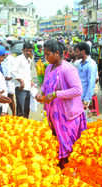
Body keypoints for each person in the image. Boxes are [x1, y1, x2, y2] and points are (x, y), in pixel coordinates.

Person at [36, 40, 87, 169]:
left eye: (48, 54)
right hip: (54, 114)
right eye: (45, 54)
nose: (46, 57)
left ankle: (70, 170)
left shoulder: (67, 69)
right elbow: (45, 85)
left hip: (67, 115)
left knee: (69, 146)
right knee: (57, 141)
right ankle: (61, 168)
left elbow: (77, 90)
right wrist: (40, 93)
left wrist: (55, 94)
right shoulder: (49, 67)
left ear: (57, 53)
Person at [11, 42, 36, 118]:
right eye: (27, 50)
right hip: (21, 87)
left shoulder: (29, 59)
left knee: (26, 108)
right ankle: (19, 125)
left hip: (28, 87)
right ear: (23, 50)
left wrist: (31, 81)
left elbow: (28, 72)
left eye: (30, 51)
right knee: (20, 109)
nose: (28, 52)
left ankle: (26, 123)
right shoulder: (18, 59)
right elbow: (13, 71)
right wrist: (20, 80)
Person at [74, 42, 98, 110]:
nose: (76, 54)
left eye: (77, 52)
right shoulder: (79, 63)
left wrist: (86, 100)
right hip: (78, 96)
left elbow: (91, 83)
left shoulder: (91, 64)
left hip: (83, 98)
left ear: (83, 51)